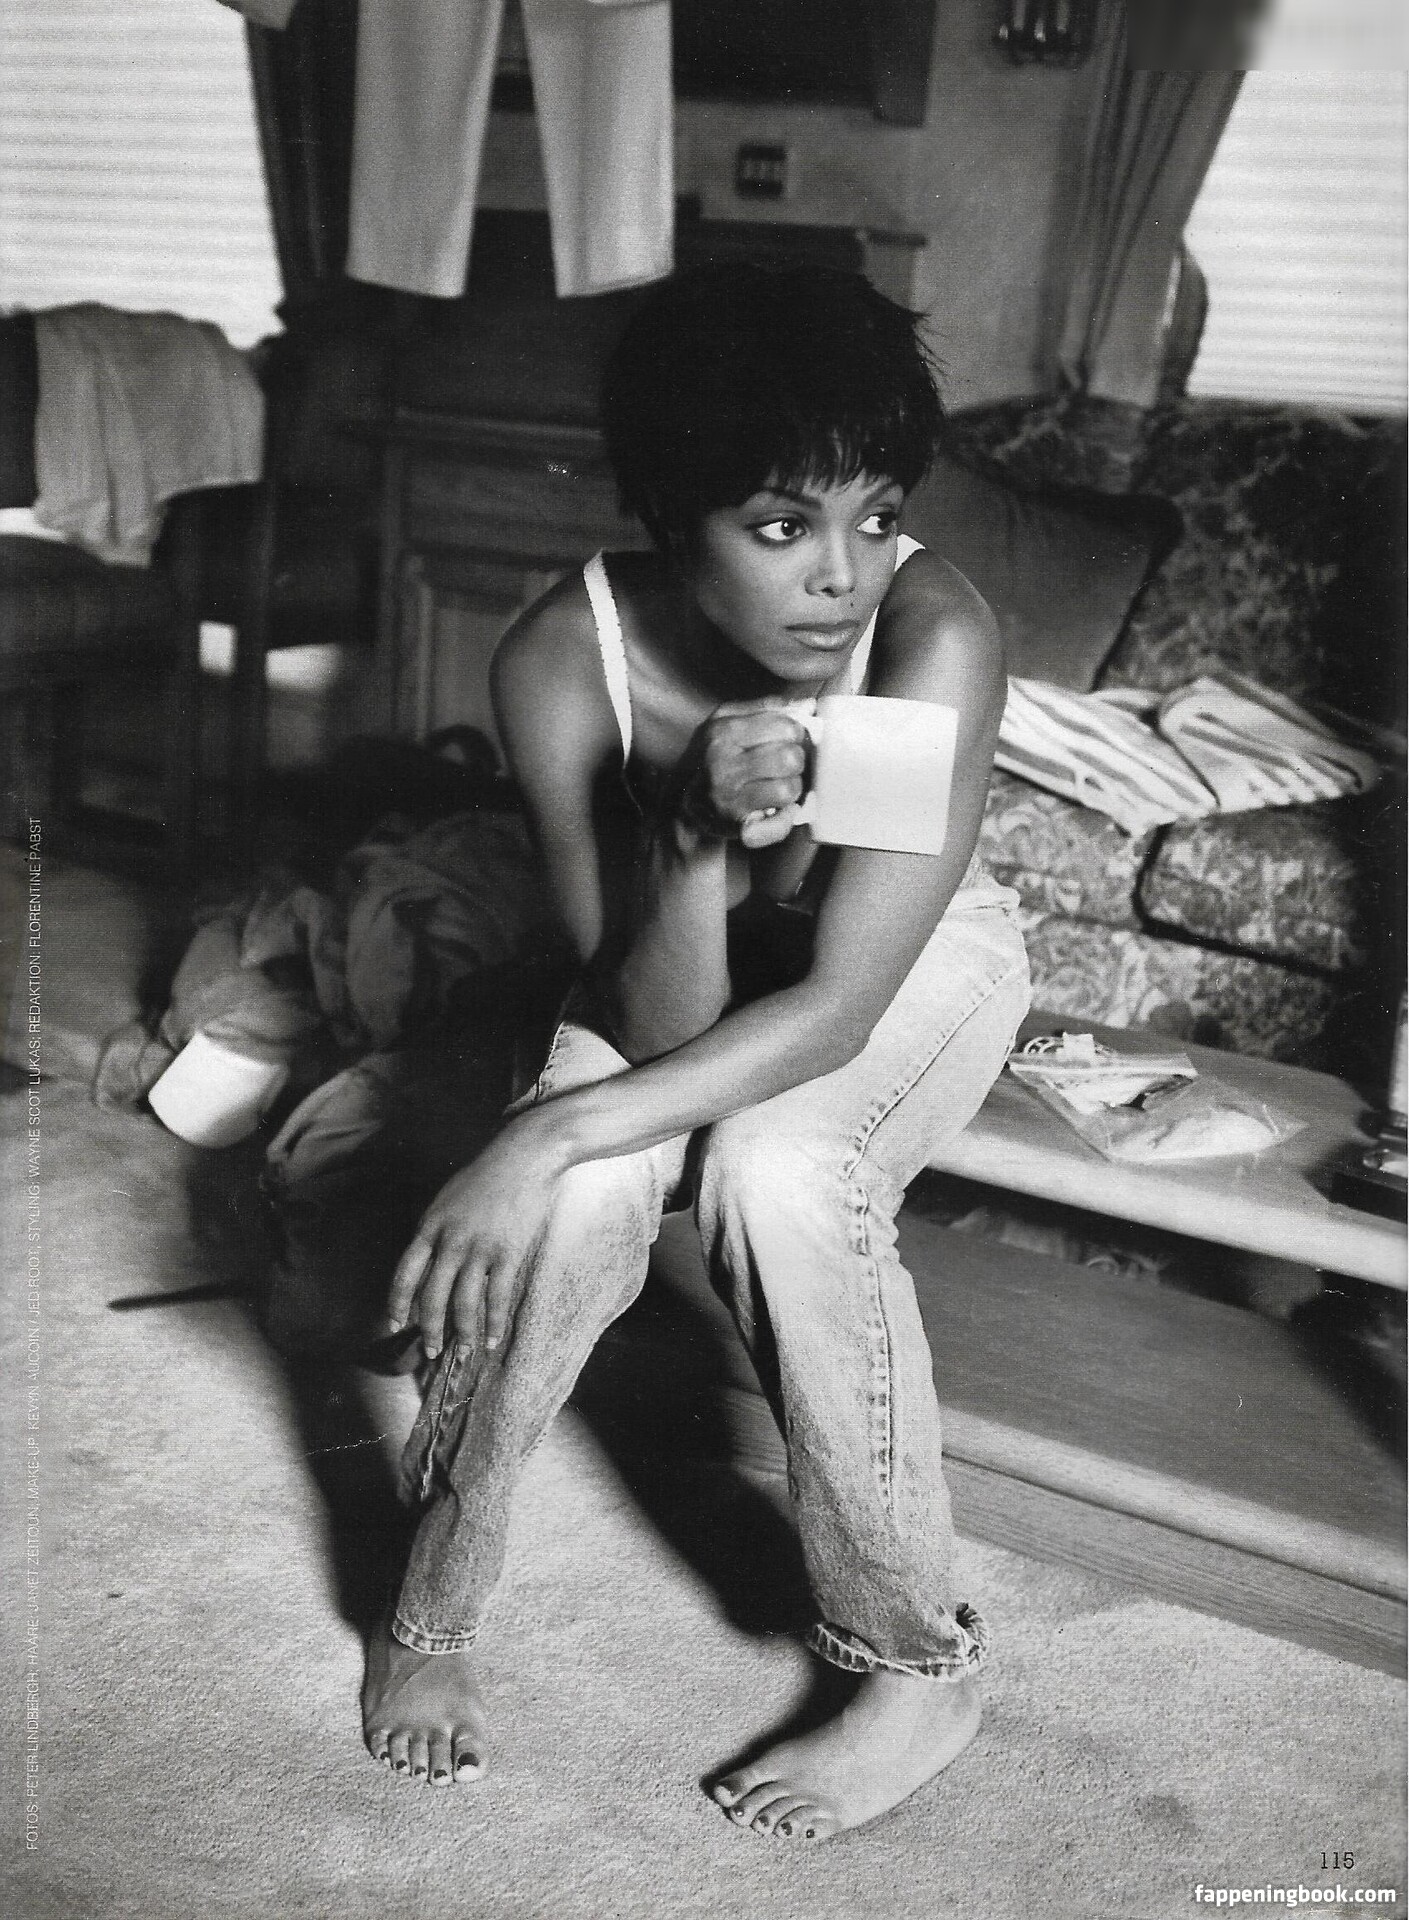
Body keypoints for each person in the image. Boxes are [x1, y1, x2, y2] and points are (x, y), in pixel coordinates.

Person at [360, 262, 1030, 1840]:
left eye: (877, 515)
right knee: (578, 1198)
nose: (841, 577)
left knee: (777, 1171)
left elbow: (834, 1007)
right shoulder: (562, 655)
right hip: (688, 952)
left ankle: (913, 1662)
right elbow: (658, 1013)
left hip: (903, 950)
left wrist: (537, 1128)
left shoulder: (926, 635)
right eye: (781, 525)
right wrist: (684, 838)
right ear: (671, 516)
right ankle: (430, 1612)